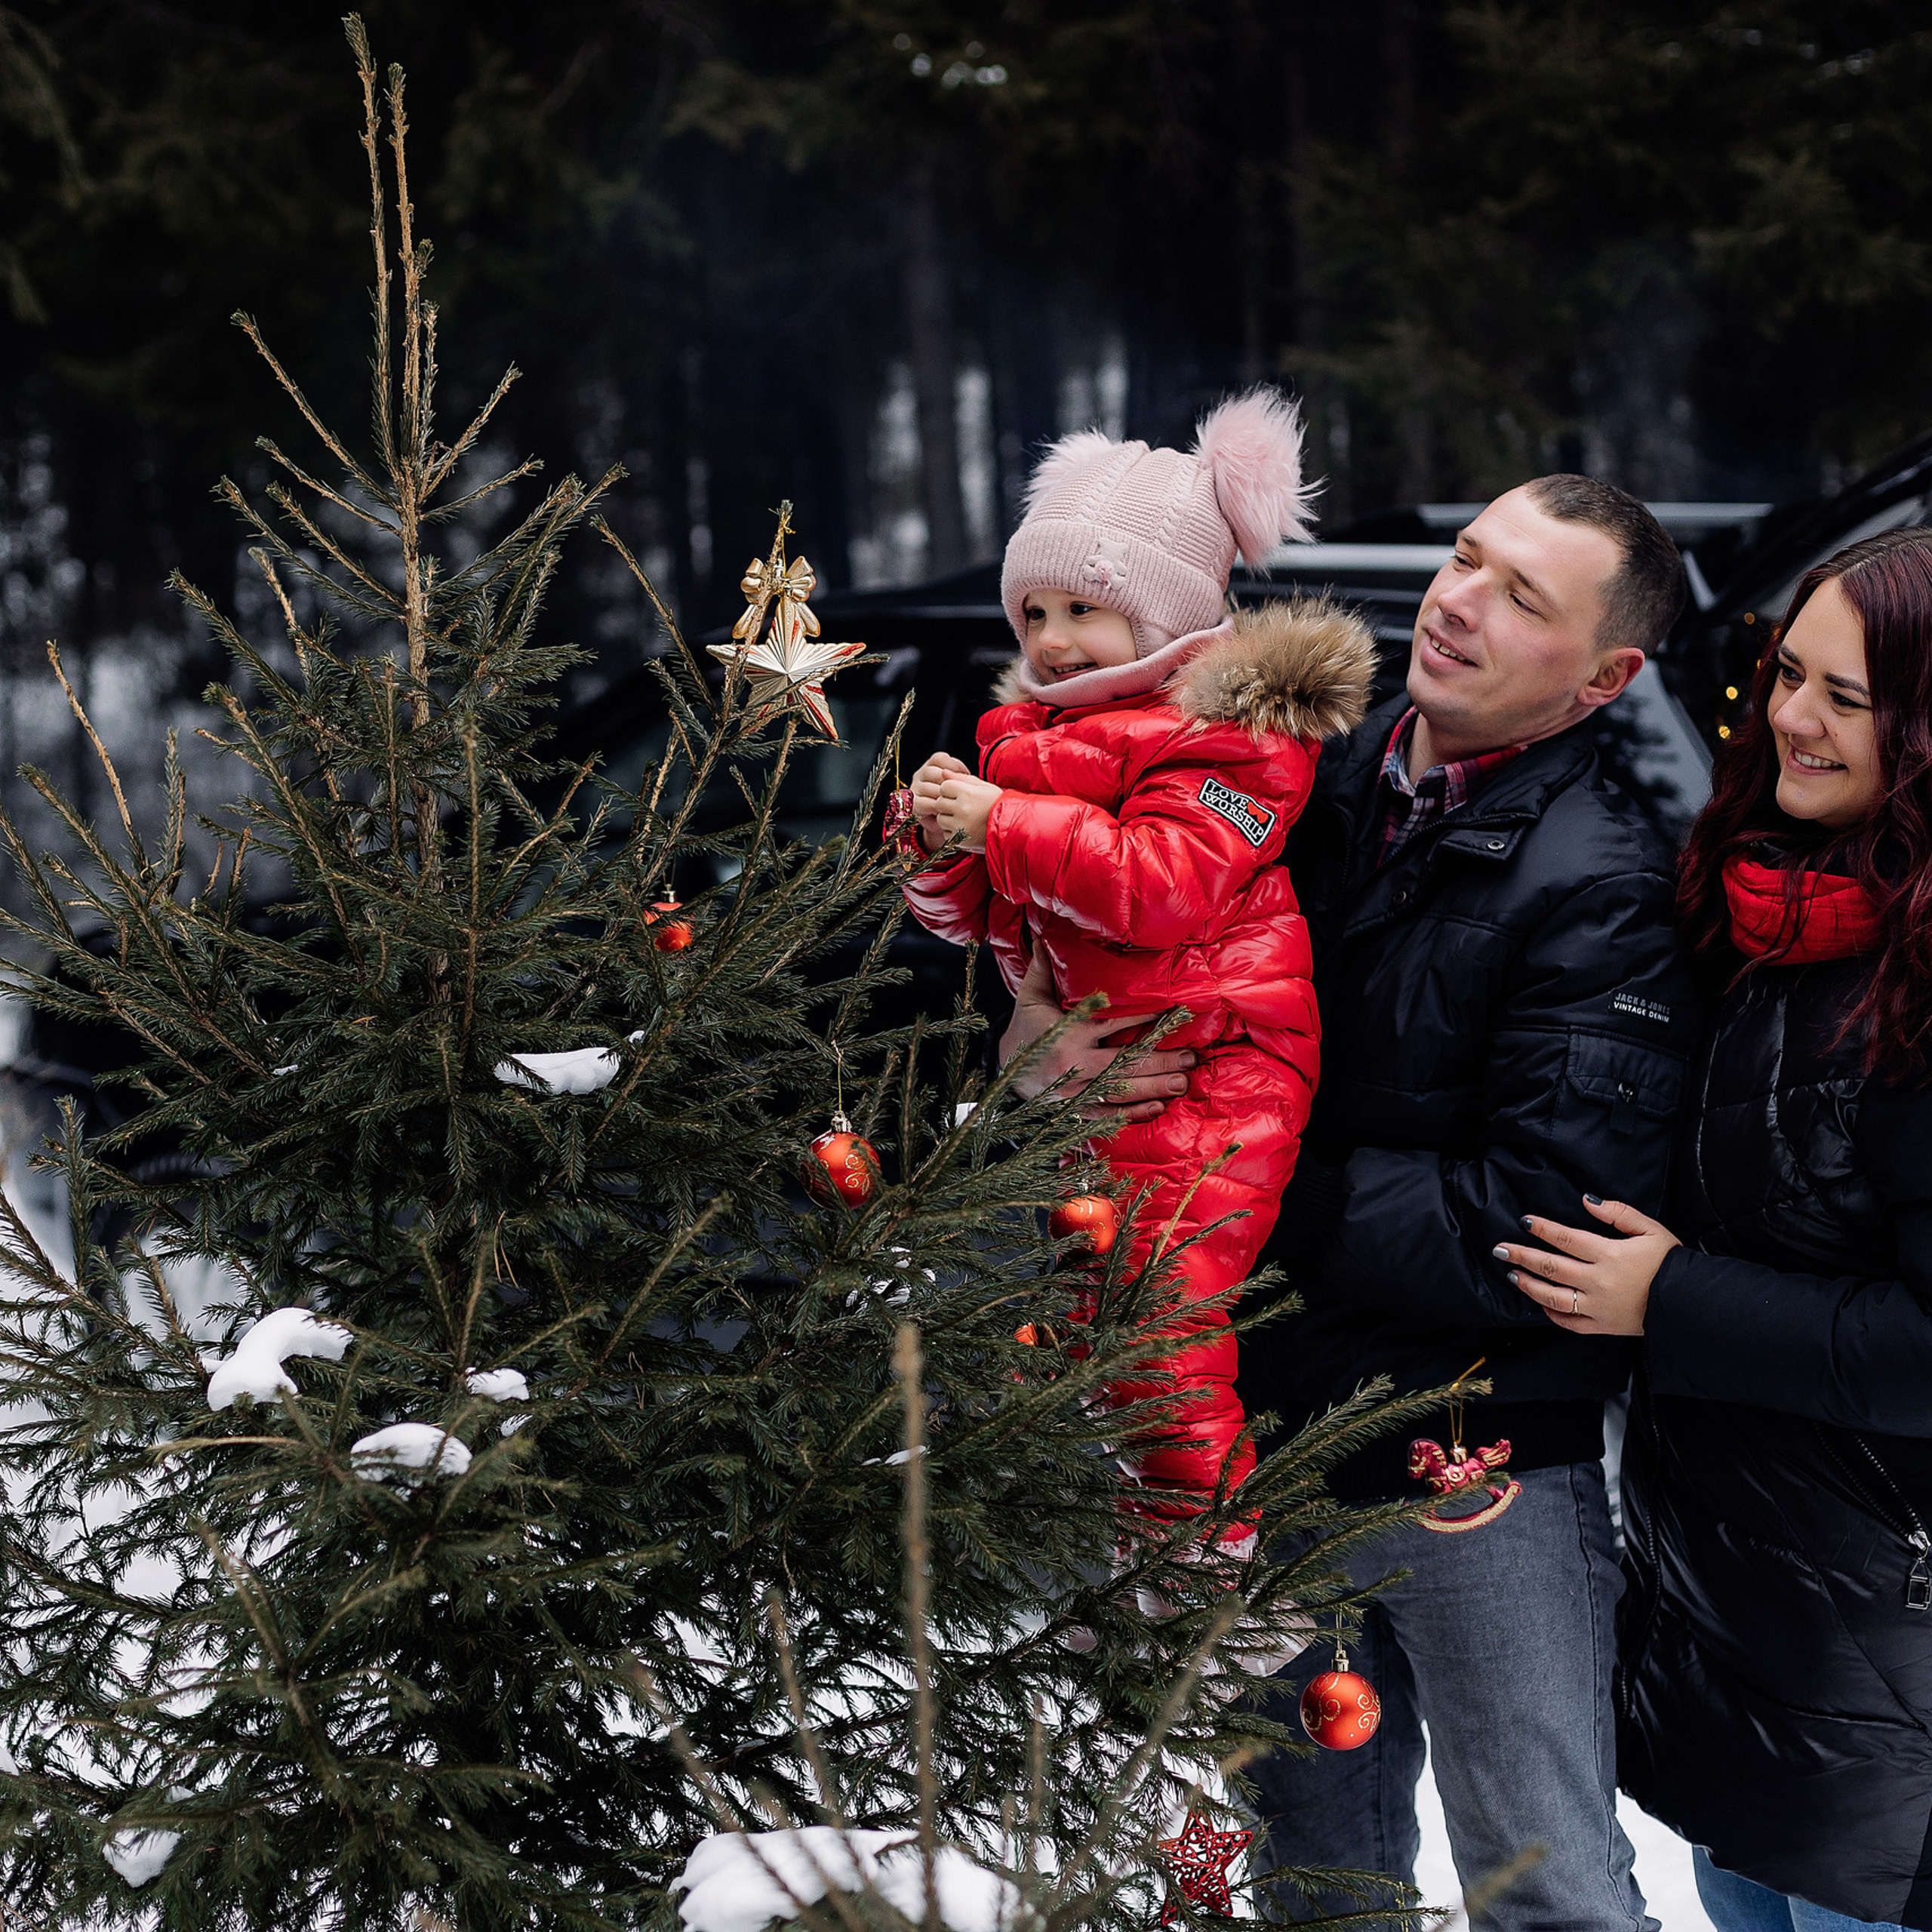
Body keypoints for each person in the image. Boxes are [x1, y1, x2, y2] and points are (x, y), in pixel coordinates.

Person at [1003, 473, 1694, 1924]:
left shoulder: (1605, 882)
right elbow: (1115, 959)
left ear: (1608, 676)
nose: (1458, 604)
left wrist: (1241, 1173)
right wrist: (1035, 1046)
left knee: (1543, 1884)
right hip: (1260, 1442)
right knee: (1316, 1886)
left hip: (1477, 1465)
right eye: (1465, 559)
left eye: (1525, 599)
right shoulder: (1288, 772)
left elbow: (1541, 1224)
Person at [1503, 529, 1932, 1930]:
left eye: (1848, 698)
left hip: (1892, 1696)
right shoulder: (1761, 911)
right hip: (1741, 1643)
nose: (1791, 719)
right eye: (1784, 673)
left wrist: (1671, 1300)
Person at [901, 388, 1377, 1531]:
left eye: (1086, 610)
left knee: (1158, 1309)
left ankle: (1208, 1560)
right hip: (1105, 1079)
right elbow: (977, 918)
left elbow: (1158, 886)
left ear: (1170, 621)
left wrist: (997, 825)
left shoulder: (1241, 738)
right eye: (1035, 611)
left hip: (1221, 1065)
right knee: (1088, 1321)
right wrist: (928, 845)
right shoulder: (1027, 742)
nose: (1052, 639)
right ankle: (1131, 1562)